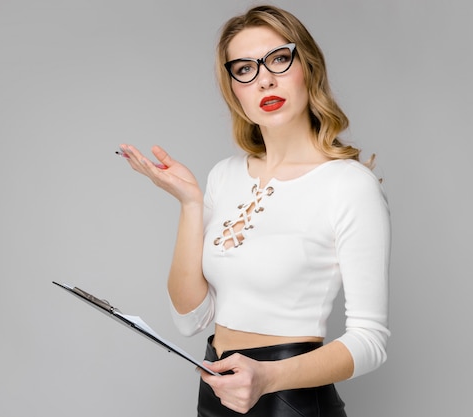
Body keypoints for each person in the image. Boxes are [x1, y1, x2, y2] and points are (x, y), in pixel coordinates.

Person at [119, 5, 390, 416]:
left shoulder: (349, 185)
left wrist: (267, 378)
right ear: (234, 89)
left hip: (290, 400)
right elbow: (190, 321)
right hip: (216, 394)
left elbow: (371, 341)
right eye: (244, 69)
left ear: (308, 67)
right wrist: (191, 204)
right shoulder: (224, 176)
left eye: (279, 59)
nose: (265, 79)